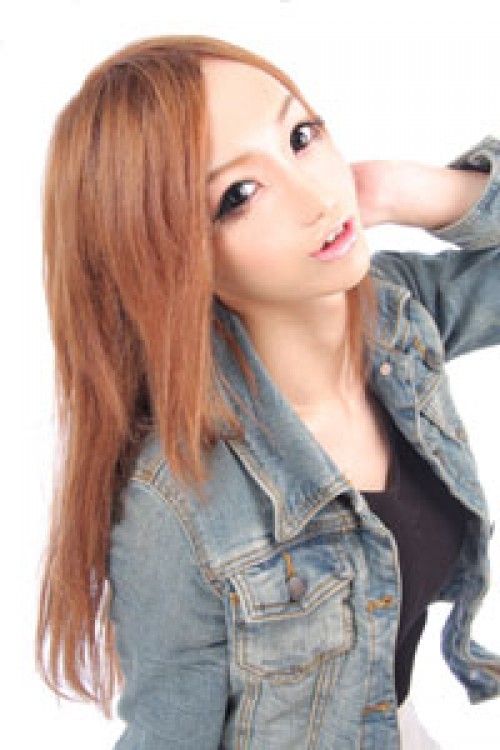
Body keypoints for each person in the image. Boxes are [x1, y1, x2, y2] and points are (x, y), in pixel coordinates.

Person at [35, 35, 500, 749]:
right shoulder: (178, 501)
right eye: (239, 196)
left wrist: (407, 189)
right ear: (172, 262)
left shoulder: (401, 318)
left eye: (301, 137)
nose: (316, 197)